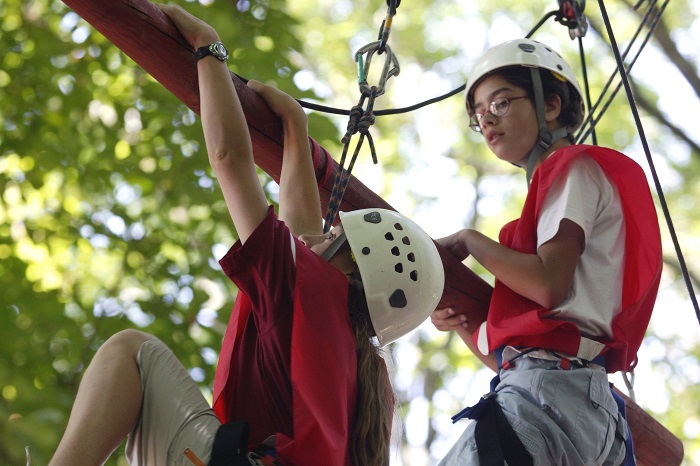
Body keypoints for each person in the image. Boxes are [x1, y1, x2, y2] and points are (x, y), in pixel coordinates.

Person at [48, 4, 444, 466]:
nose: (323, 231)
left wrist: (208, 49)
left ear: (355, 262)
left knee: (131, 353)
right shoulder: (350, 363)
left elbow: (229, 158)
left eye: (335, 232)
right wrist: (295, 133)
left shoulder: (310, 293)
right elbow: (299, 234)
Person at [431, 39, 662, 466]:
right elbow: (517, 355)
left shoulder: (572, 167)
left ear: (550, 107)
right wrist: (463, 323)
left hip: (550, 398)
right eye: (478, 114)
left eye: (499, 103)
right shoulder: (559, 194)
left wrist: (469, 240)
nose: (486, 119)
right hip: (589, 411)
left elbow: (547, 286)